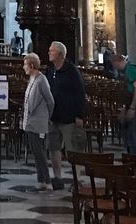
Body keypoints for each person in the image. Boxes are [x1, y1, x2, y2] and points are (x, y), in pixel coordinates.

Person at [46, 41, 86, 191]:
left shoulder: (72, 71)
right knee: (54, 148)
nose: (49, 53)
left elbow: (80, 93)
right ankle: (57, 177)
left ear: (61, 54)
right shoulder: (51, 71)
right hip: (54, 116)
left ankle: (77, 180)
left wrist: (79, 115)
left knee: (73, 150)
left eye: (52, 51)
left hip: (69, 117)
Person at [21, 51, 55, 193]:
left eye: (25, 64)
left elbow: (50, 101)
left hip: (39, 122)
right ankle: (41, 180)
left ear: (32, 65)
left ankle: (47, 181)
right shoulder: (32, 79)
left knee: (40, 153)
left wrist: (48, 117)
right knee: (35, 152)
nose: (24, 67)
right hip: (30, 121)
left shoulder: (41, 80)